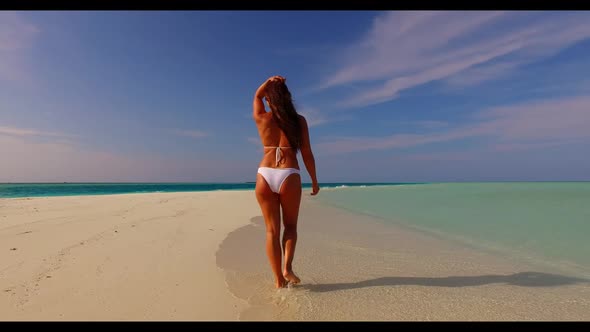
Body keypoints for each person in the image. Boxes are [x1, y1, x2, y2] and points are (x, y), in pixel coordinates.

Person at [252, 75, 320, 289]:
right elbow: (307, 153)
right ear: (288, 97)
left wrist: (268, 82)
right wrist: (314, 180)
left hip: (264, 174)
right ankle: (287, 268)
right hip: (289, 174)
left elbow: (257, 95)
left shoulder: (262, 117)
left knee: (271, 230)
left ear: (269, 100)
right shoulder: (299, 121)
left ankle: (278, 281)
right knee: (290, 227)